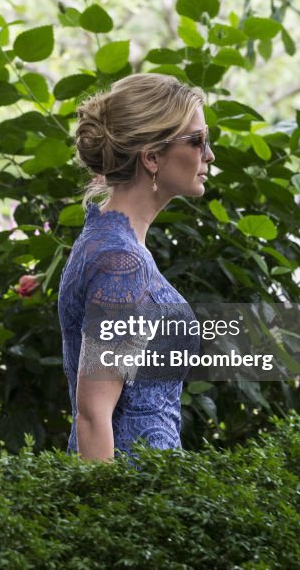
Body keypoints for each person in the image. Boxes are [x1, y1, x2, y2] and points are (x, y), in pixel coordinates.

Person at [58, 73, 214, 460]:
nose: (208, 155)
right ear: (152, 157)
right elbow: (93, 415)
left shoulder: (112, 243)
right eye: (197, 141)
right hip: (133, 497)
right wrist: (109, 513)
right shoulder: (120, 264)